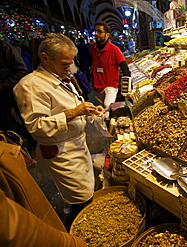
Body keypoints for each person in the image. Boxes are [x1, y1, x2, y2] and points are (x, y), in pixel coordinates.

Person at [13, 33, 104, 221]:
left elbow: (71, 104)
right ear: (45, 58)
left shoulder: (60, 77)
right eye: (64, 63)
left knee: (85, 189)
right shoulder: (30, 85)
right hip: (61, 150)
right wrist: (74, 112)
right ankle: (79, 228)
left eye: (70, 62)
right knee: (80, 196)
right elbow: (36, 127)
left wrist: (89, 111)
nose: (69, 68)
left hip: (77, 145)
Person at [0, 141, 86, 246]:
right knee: (75, 192)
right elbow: (12, 229)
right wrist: (72, 243)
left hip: (75, 149)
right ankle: (74, 213)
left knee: (81, 190)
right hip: (61, 150)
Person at [89, 21, 131, 109]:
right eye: (95, 31)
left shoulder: (114, 50)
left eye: (99, 31)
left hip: (110, 86)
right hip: (96, 87)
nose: (96, 34)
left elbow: (125, 70)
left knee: (108, 106)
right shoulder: (92, 48)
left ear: (107, 34)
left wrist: (128, 89)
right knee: (101, 110)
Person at [0, 40, 34, 146]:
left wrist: (2, 86)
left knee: (27, 121)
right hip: (4, 95)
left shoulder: (3, 47)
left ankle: (35, 141)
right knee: (7, 123)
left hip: (12, 92)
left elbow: (21, 71)